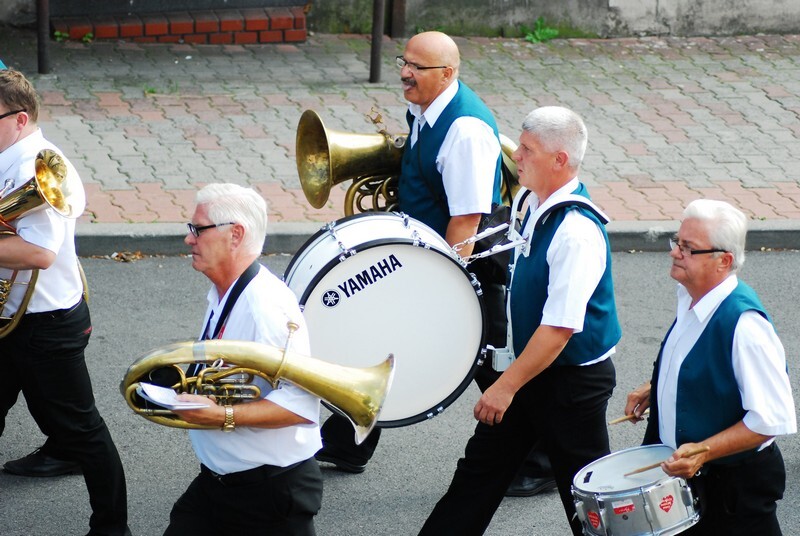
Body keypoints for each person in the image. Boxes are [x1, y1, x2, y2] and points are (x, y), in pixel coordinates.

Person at [315, 30, 555, 497]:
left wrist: (440, 287)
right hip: (424, 256)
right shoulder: (427, 109)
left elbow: (465, 222)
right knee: (385, 338)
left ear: (447, 74)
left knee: (483, 360)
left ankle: (543, 460)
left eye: (416, 67)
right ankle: (348, 440)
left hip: (460, 262)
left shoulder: (464, 130)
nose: (404, 73)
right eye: (403, 62)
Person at [419, 106, 621, 536]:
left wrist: (505, 385)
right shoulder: (529, 201)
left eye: (527, 150)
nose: (517, 157)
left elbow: (559, 330)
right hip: (533, 371)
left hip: (571, 386)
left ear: (560, 160)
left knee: (588, 500)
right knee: (478, 474)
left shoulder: (577, 232)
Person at [0, 68, 131, 535]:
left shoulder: (35, 166)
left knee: (84, 431)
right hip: (15, 319)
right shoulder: (8, 154)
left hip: (43, 326)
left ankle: (113, 528)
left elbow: (38, 252)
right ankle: (58, 454)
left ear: (19, 118)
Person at [623, 199, 796, 535]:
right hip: (695, 483)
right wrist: (659, 385)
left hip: (733, 492)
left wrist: (703, 452)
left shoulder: (745, 327)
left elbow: (771, 418)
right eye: (677, 241)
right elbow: (701, 361)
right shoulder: (692, 294)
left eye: (689, 248)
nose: (674, 252)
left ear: (724, 260)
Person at [163, 183, 323, 535]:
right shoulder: (224, 292)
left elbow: (300, 407)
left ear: (235, 235)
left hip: (267, 495)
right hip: (224, 485)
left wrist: (222, 415)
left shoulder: (265, 308)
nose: (189, 238)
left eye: (198, 229)